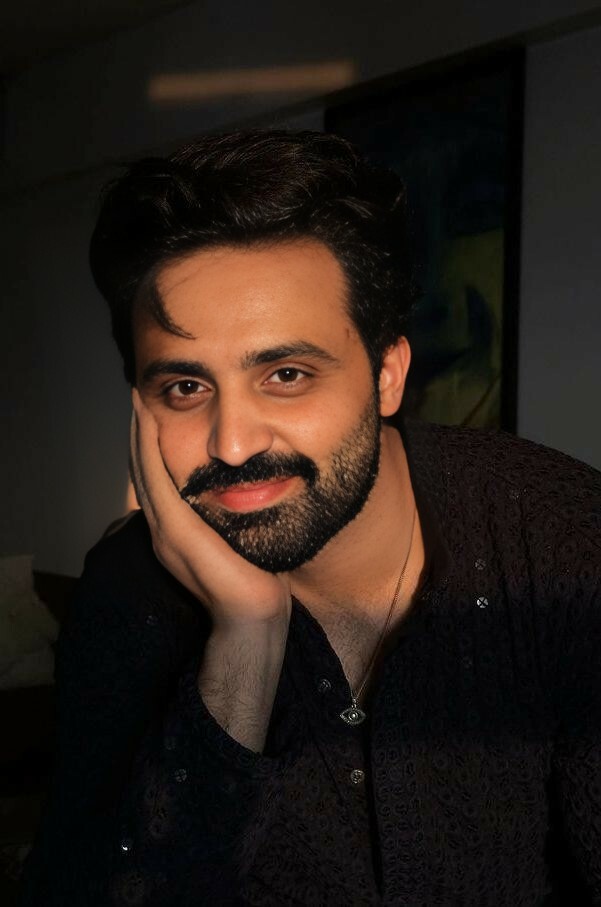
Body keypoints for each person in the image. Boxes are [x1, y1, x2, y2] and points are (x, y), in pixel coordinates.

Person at [21, 131, 601, 906]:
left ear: (386, 373)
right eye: (185, 388)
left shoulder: (565, 544)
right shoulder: (128, 594)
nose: (232, 444)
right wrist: (245, 638)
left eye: (286, 374)